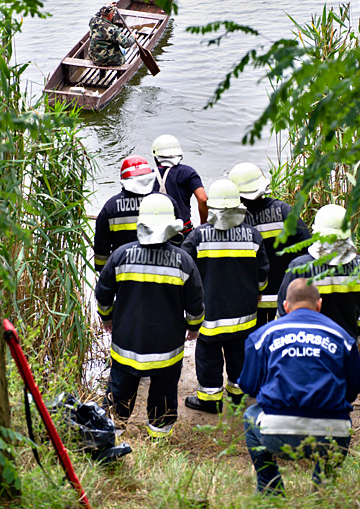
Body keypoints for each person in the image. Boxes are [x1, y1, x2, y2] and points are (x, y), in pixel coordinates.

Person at [95, 193, 205, 439]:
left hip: (126, 346)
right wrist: (194, 326)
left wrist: (107, 319)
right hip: (167, 350)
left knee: (119, 394)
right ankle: (158, 439)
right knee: (163, 397)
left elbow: (103, 295)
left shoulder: (120, 256)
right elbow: (196, 302)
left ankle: (111, 437)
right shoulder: (183, 261)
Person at [239, 278, 360, 495]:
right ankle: (321, 492)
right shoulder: (343, 338)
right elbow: (352, 390)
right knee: (343, 420)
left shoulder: (262, 336)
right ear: (319, 304)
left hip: (277, 433)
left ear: (286, 306)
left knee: (250, 415)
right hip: (331, 435)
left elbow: (248, 386)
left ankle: (271, 490)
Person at [182, 179, 269, 413]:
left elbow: (183, 271)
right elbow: (263, 273)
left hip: (210, 315)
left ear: (212, 208)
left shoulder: (198, 237)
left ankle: (210, 401)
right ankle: (237, 396)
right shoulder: (252, 235)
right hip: (244, 316)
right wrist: (257, 292)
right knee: (239, 356)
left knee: (209, 358)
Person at [229, 162, 311, 326]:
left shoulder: (235, 219)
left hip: (251, 298)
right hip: (284, 294)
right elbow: (307, 248)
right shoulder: (284, 211)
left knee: (257, 343)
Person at [277, 203, 360, 340]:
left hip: (309, 347)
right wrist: (353, 333)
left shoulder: (299, 267)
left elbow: (282, 313)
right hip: (346, 344)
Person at [94, 155, 157, 273]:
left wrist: (103, 272)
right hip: (159, 271)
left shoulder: (111, 207)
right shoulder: (165, 202)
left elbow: (101, 246)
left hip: (124, 271)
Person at [151, 134, 208, 238]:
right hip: (184, 233)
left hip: (157, 234)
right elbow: (203, 199)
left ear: (156, 156)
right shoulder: (188, 172)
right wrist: (203, 228)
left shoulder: (148, 176)